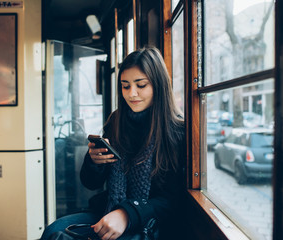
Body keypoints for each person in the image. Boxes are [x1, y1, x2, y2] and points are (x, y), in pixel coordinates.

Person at [41, 46, 186, 240]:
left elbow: (174, 199)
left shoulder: (176, 130)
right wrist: (94, 162)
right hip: (110, 208)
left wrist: (127, 214)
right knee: (53, 230)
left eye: (140, 85)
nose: (131, 94)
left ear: (158, 85)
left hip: (151, 221)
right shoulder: (117, 121)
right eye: (125, 86)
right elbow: (90, 183)